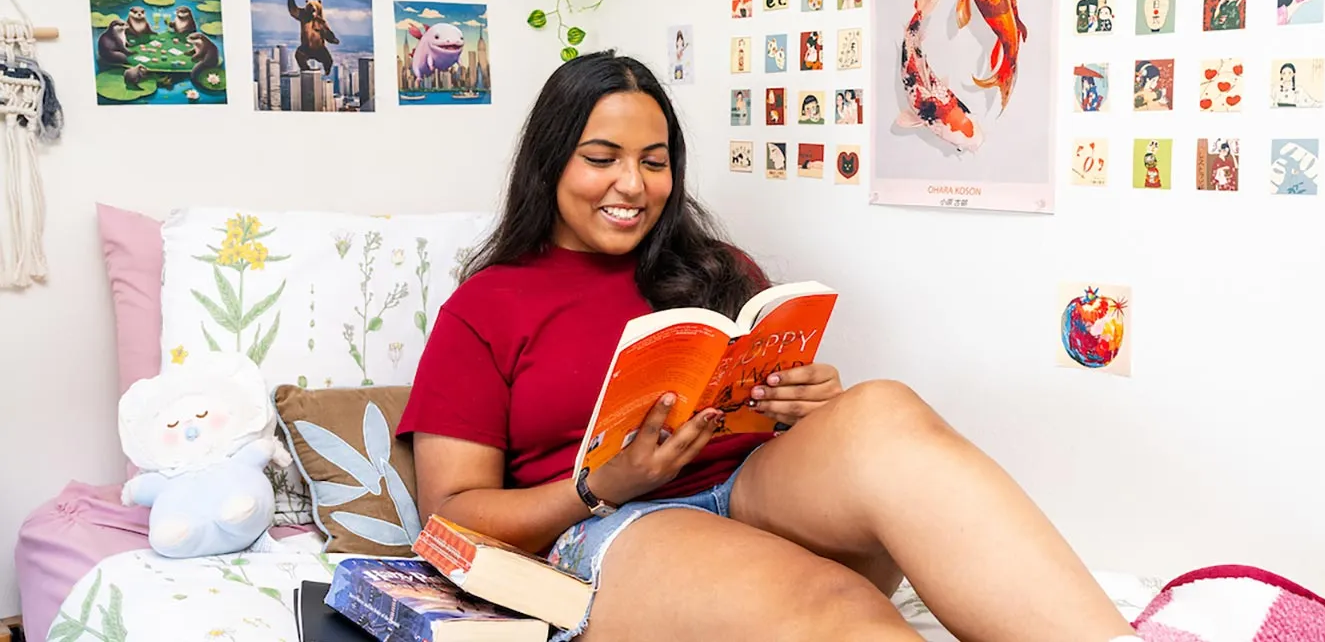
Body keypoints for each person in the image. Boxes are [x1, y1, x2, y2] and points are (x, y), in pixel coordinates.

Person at [397, 51, 1141, 642]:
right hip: (614, 531)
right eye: (603, 157)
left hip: (756, 490)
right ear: (551, 161)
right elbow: (451, 519)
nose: (632, 184)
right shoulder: (486, 307)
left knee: (880, 408)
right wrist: (601, 486)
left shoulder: (715, 268)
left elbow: (783, 421)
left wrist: (806, 406)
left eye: (655, 161)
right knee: (833, 604)